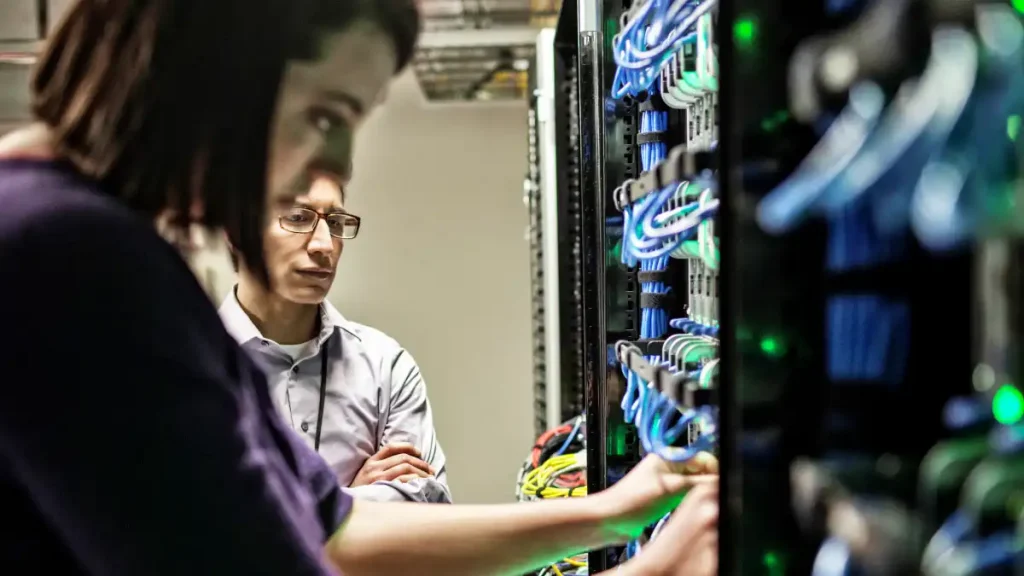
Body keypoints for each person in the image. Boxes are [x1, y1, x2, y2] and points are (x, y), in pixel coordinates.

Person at [0, 1, 719, 575]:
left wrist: (616, 512)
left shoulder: (86, 238)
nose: (339, 158)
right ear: (218, 76)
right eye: (328, 115)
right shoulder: (66, 256)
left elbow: (336, 530)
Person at [219, 174, 450, 503]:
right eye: (298, 218)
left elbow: (426, 512)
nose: (325, 245)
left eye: (336, 222)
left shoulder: (385, 366)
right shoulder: (184, 366)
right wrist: (348, 501)